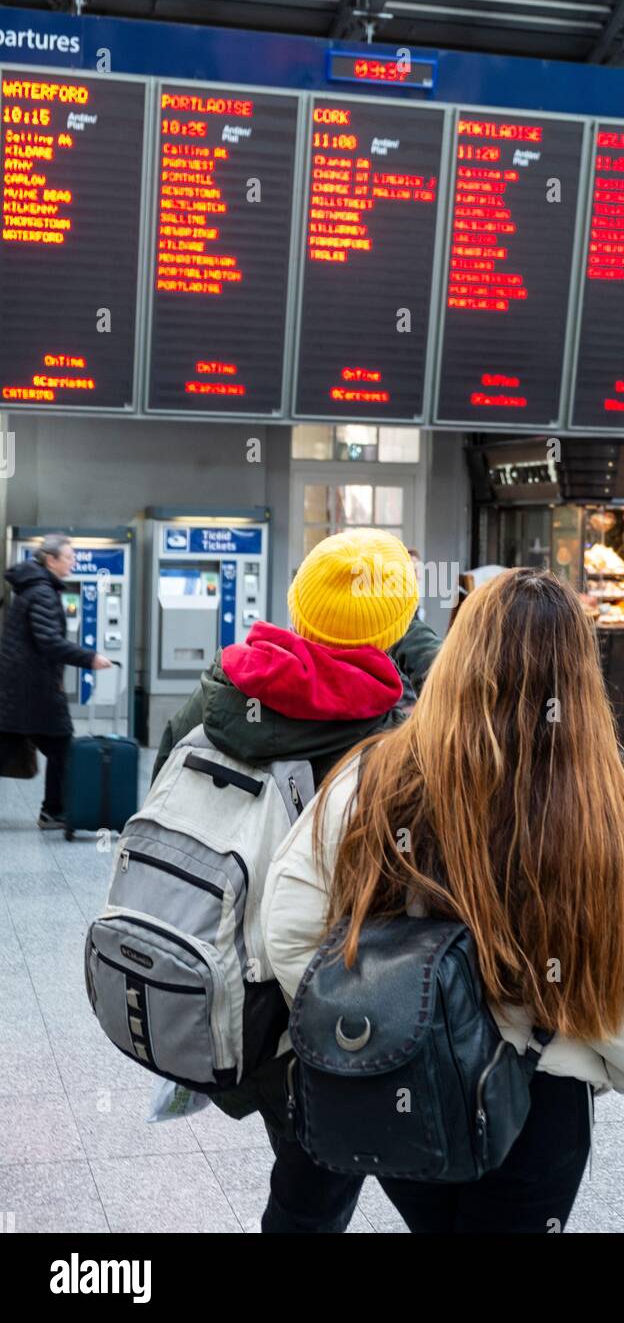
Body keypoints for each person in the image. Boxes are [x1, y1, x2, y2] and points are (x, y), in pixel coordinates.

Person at [264, 568, 624, 1235]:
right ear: (581, 679)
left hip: (400, 1087)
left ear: (454, 655)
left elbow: (291, 932)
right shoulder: (601, 819)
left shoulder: (370, 776)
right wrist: (557, 1050)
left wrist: (394, 1025)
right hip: (537, 1108)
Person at [152, 528, 441, 1233]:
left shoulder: (220, 690)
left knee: (310, 1173)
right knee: (358, 1174)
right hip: (337, 1001)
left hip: (230, 987)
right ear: (398, 627)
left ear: (298, 606)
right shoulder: (396, 737)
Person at [0, 533, 111, 829]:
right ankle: (53, 811)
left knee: (36, 746)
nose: (73, 562)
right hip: (33, 690)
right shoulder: (42, 593)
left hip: (22, 687)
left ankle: (54, 810)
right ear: (51, 560)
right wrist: (89, 658)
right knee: (62, 747)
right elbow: (49, 641)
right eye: (69, 557)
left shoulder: (35, 588)